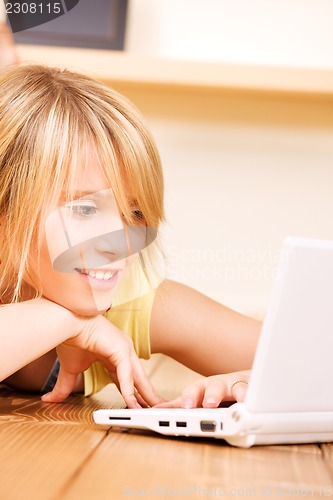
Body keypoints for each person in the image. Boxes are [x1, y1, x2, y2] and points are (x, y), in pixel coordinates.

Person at [0, 63, 260, 409]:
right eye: (86, 209)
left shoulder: (130, 302)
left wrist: (249, 381)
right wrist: (72, 324)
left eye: (134, 214)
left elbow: (311, 360)